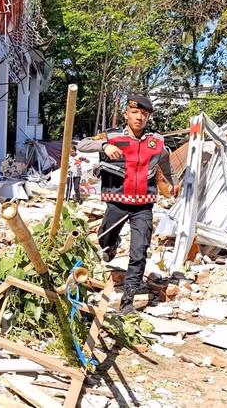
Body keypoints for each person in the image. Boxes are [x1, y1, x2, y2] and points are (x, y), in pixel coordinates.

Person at [78, 94, 176, 314]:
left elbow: (166, 162)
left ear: (148, 117)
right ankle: (109, 245)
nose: (139, 117)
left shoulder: (156, 141)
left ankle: (128, 300)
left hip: (144, 204)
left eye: (143, 114)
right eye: (134, 113)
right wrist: (104, 146)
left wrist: (173, 183)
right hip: (117, 200)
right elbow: (82, 145)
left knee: (139, 250)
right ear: (126, 114)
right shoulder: (112, 136)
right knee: (105, 238)